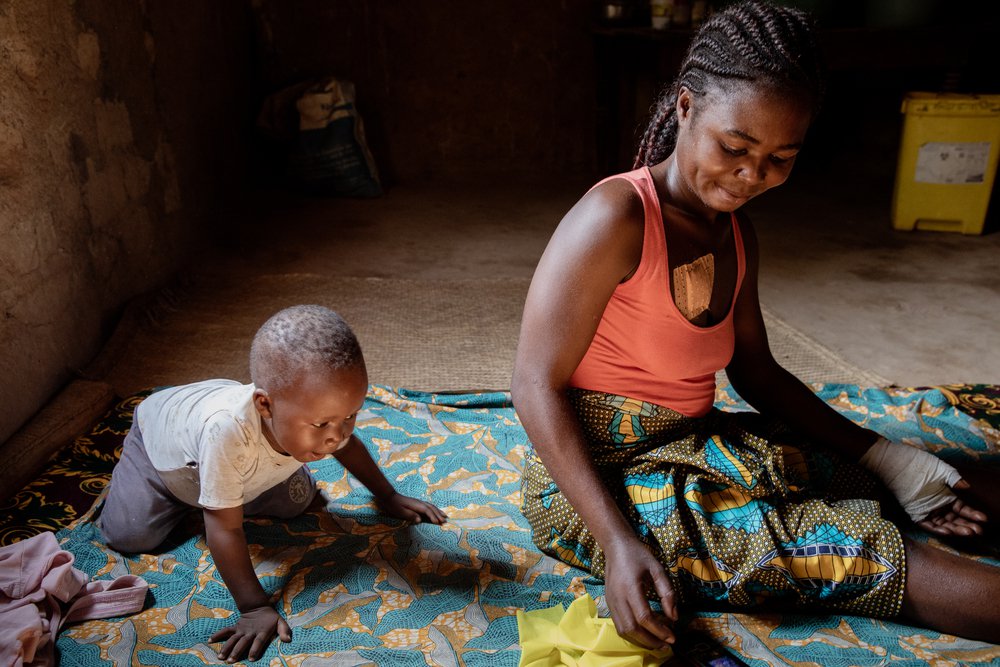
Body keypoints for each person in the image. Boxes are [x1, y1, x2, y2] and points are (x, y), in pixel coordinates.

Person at [511, 0, 1000, 649]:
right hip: (596, 479)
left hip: (695, 439)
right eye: (735, 147)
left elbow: (757, 372)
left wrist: (892, 459)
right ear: (685, 107)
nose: (752, 176)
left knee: (894, 484)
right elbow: (531, 383)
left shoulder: (736, 234)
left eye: (780, 158)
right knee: (844, 550)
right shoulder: (616, 216)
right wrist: (618, 543)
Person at [98, 304, 447, 663]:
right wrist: (253, 608)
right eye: (321, 425)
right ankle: (192, 488)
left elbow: (348, 447)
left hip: (239, 452)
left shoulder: (319, 417)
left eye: (350, 415)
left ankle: (231, 484)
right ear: (265, 405)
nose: (337, 435)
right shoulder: (226, 432)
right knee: (130, 536)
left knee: (298, 502)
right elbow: (225, 529)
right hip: (165, 457)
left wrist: (387, 495)